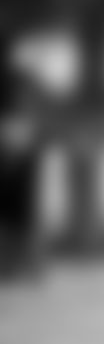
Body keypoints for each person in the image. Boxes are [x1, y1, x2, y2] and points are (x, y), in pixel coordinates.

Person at [0, 32, 50, 279]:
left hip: (17, 142)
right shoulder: (24, 79)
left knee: (16, 209)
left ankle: (20, 265)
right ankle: (26, 265)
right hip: (25, 142)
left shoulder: (19, 80)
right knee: (23, 210)